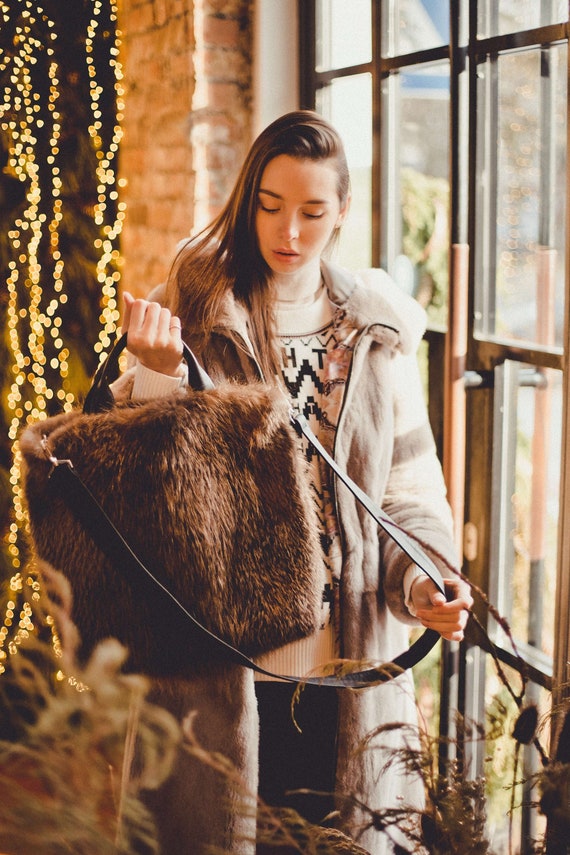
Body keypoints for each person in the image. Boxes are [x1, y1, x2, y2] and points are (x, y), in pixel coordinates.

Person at [116, 111, 472, 855]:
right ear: (248, 202)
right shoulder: (195, 313)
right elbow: (144, 496)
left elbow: (408, 493)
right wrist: (154, 374)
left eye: (313, 211)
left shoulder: (376, 335)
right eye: (270, 206)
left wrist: (425, 586)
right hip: (215, 670)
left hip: (347, 673)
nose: (290, 231)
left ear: (342, 211)